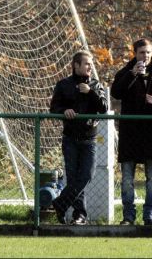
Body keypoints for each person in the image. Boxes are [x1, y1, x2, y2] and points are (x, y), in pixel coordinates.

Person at [111, 38, 152, 226]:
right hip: (130, 131)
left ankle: (150, 216)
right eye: (141, 53)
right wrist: (132, 74)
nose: (145, 56)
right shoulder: (125, 71)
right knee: (128, 177)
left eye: (148, 52)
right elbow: (116, 92)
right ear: (135, 53)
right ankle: (128, 216)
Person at [50, 50, 108, 225]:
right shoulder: (63, 85)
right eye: (86, 64)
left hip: (89, 139)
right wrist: (63, 111)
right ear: (76, 65)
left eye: (91, 64)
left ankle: (60, 204)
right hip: (70, 139)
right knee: (74, 179)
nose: (90, 67)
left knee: (87, 175)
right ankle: (79, 215)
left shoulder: (96, 85)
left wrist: (90, 92)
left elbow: (104, 108)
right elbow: (54, 108)